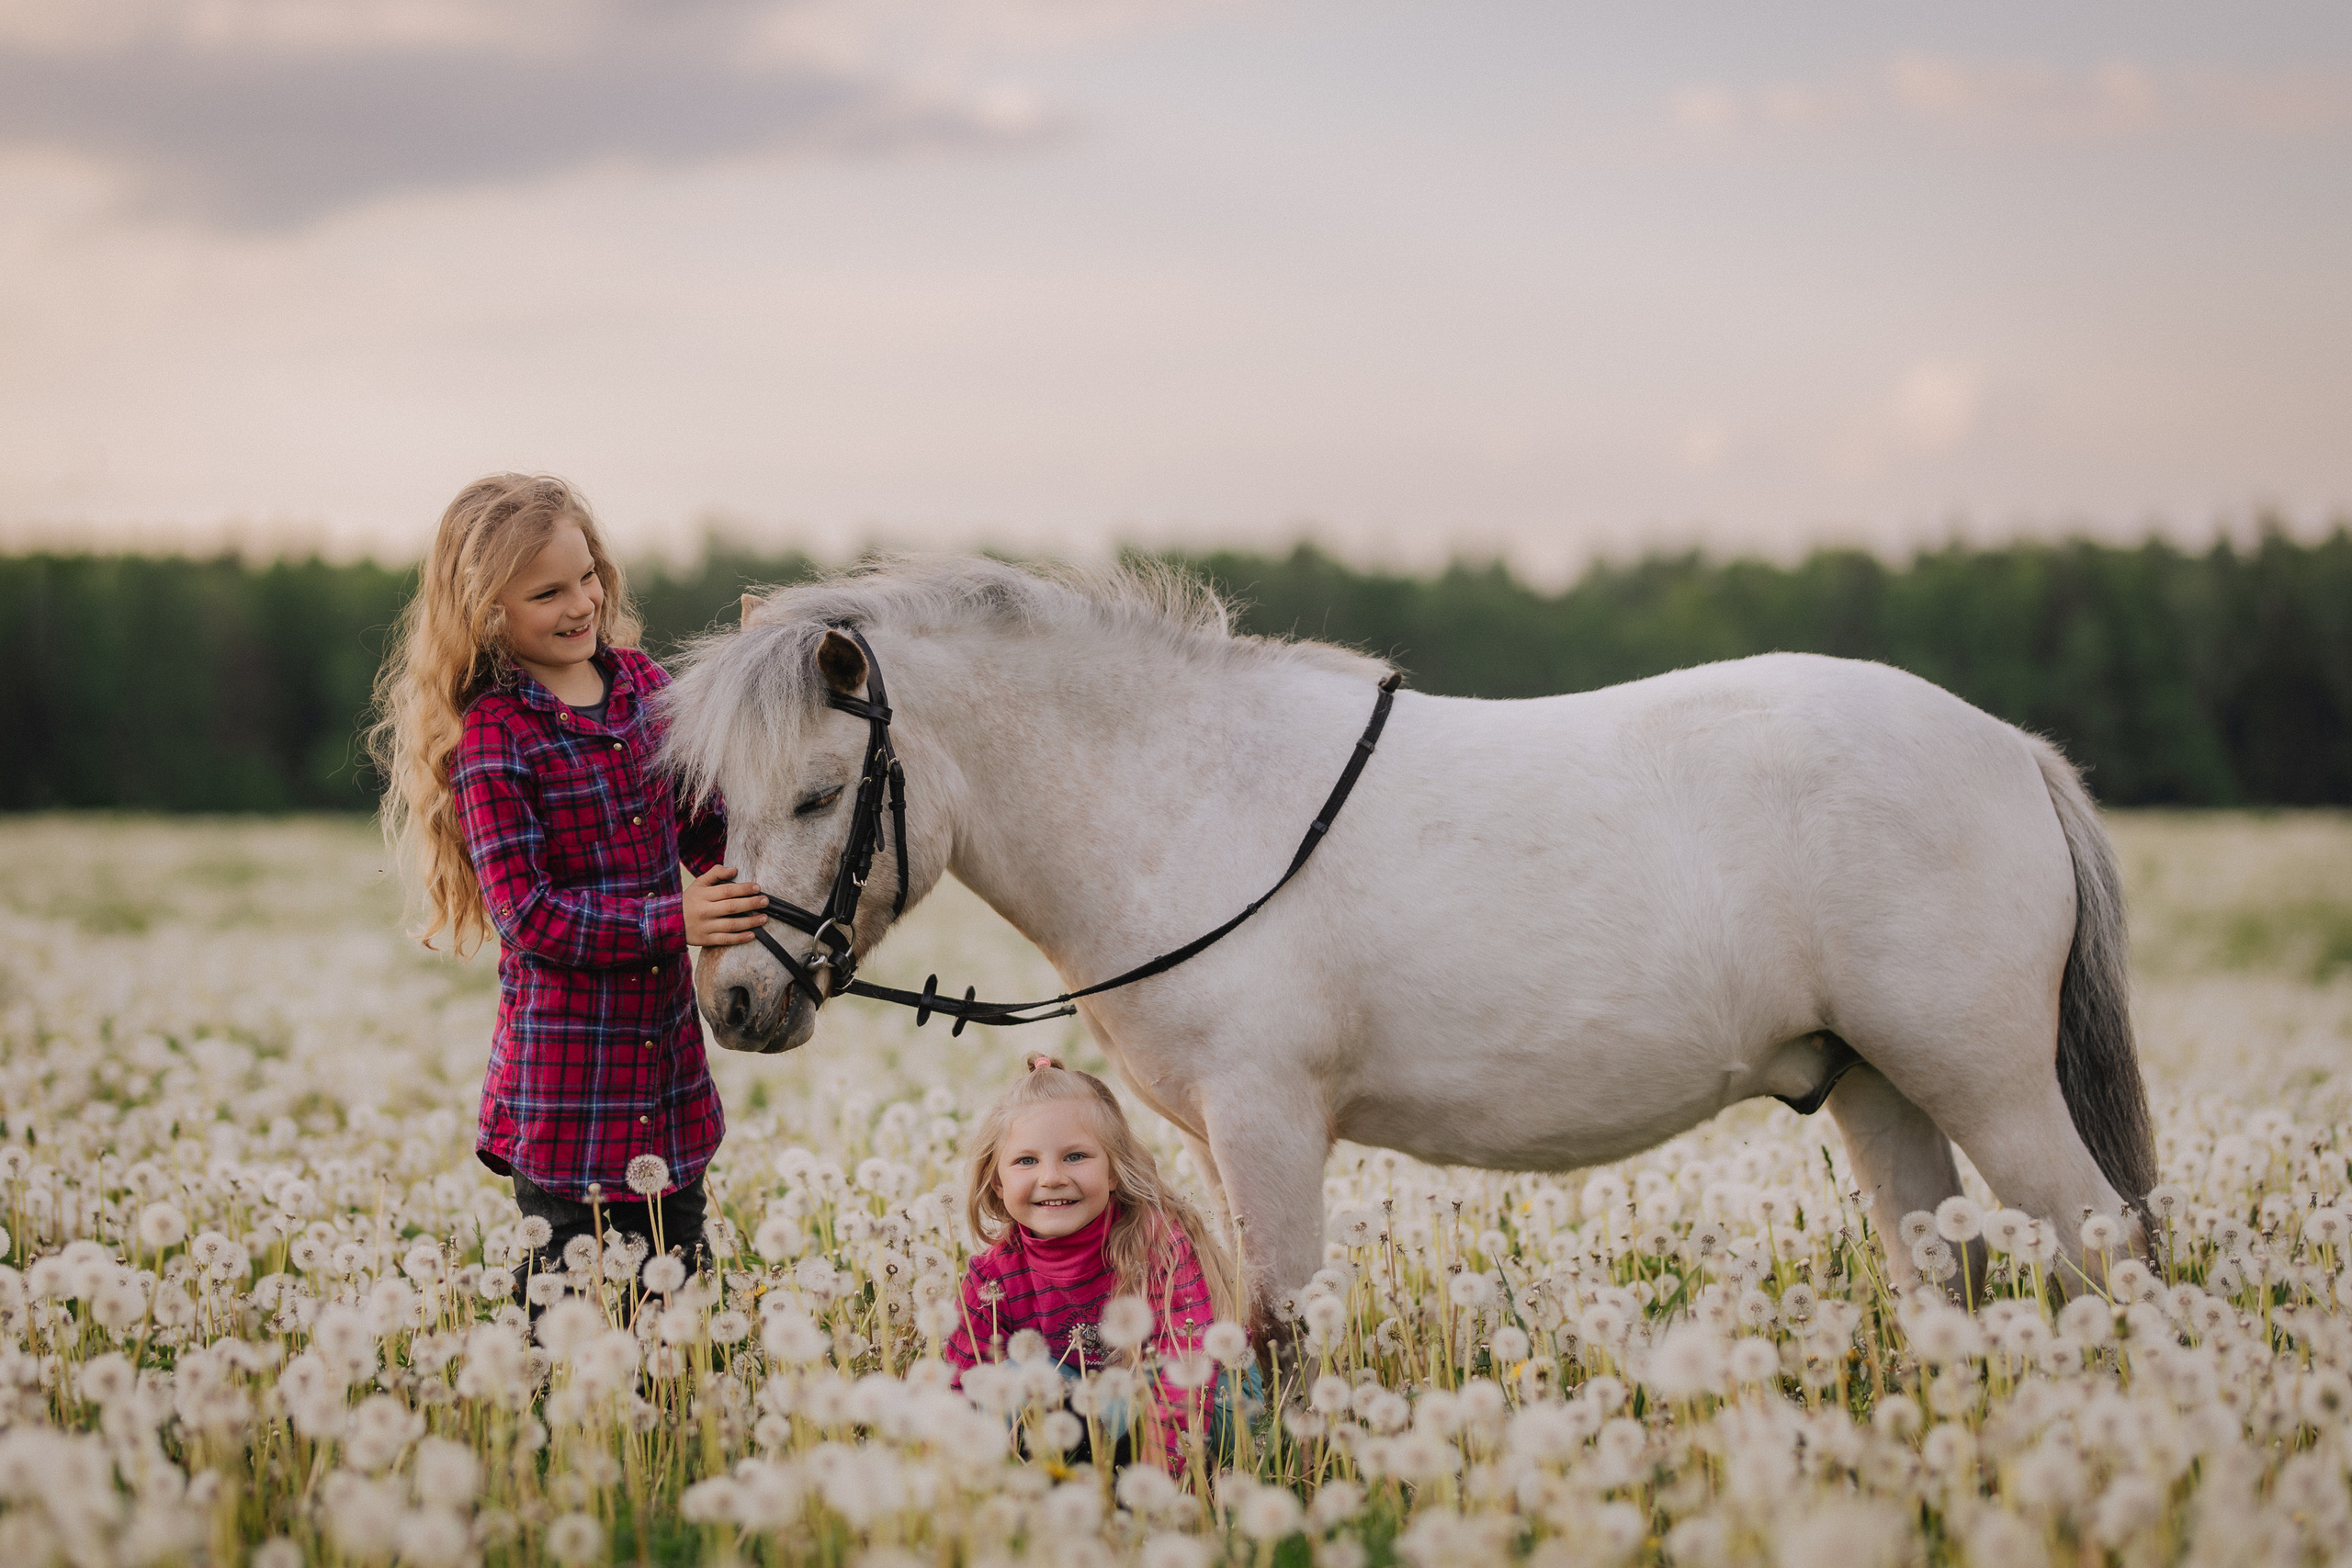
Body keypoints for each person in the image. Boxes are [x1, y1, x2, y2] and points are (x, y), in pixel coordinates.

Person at [369, 473, 770, 1292]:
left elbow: (706, 824)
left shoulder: (645, 689)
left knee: (679, 1324)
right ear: (488, 613)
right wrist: (673, 917)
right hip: (568, 1105)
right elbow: (531, 915)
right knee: (571, 1331)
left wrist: (762, 695)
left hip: (667, 1089)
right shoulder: (495, 738)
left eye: (587, 575)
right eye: (548, 591)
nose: (582, 602)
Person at [944, 1054, 1245, 1472]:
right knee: (1009, 1380)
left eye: (1075, 1157)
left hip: (1188, 1398)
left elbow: (1185, 1368)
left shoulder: (1157, 1245)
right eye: (1026, 1161)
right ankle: (1078, 1469)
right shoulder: (993, 1275)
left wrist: (1160, 1493)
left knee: (1221, 1398)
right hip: (1083, 1406)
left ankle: (1134, 1470)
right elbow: (960, 1384)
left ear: (1113, 1172)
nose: (1051, 1177)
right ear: (997, 1180)